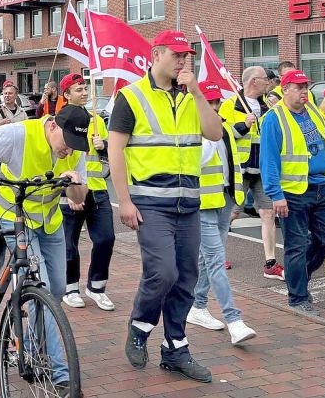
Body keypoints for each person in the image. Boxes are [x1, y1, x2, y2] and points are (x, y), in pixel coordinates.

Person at [0, 105, 91, 396]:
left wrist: (73, 183)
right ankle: (62, 374)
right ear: (52, 126)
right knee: (34, 282)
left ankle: (26, 343)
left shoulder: (77, 148)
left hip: (49, 221)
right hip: (14, 214)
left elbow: (79, 198)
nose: (70, 150)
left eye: (75, 146)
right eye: (66, 143)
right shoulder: (19, 135)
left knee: (54, 292)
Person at [110, 30, 222, 383]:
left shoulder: (191, 95)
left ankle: (175, 349)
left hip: (188, 202)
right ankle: (140, 328)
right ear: (156, 54)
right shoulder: (131, 96)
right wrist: (124, 200)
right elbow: (116, 150)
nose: (183, 61)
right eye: (176, 55)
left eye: (186, 55)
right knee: (164, 272)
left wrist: (198, 92)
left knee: (187, 277)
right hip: (150, 203)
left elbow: (215, 133)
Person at [260, 69, 325, 315]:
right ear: (284, 90)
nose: (304, 91)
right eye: (298, 86)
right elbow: (269, 160)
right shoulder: (275, 118)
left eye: (306, 86)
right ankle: (298, 297)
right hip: (292, 191)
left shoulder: (313, 110)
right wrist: (275, 194)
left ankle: (299, 276)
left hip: (320, 186)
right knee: (296, 245)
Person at [186, 82, 257, 345]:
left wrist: (236, 201)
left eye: (216, 102)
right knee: (215, 260)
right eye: (209, 102)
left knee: (208, 260)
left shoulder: (224, 127)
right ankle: (234, 320)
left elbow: (233, 162)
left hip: (225, 200)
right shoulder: (192, 130)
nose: (214, 106)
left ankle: (197, 305)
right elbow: (197, 162)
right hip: (203, 204)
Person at [57, 73, 116, 311]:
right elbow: (58, 160)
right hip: (71, 191)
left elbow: (107, 158)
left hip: (98, 189)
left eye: (84, 88)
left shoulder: (97, 121)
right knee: (69, 245)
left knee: (106, 238)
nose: (83, 93)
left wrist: (105, 147)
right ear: (67, 94)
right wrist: (69, 193)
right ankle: (70, 288)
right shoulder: (60, 121)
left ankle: (96, 287)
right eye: (78, 89)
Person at [219, 66, 283, 281]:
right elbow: (221, 136)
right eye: (266, 79)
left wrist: (277, 110)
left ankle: (271, 262)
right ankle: (217, 256)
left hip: (263, 168)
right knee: (230, 213)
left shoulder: (269, 105)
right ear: (254, 81)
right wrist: (243, 125)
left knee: (267, 213)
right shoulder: (230, 105)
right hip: (241, 169)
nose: (270, 83)